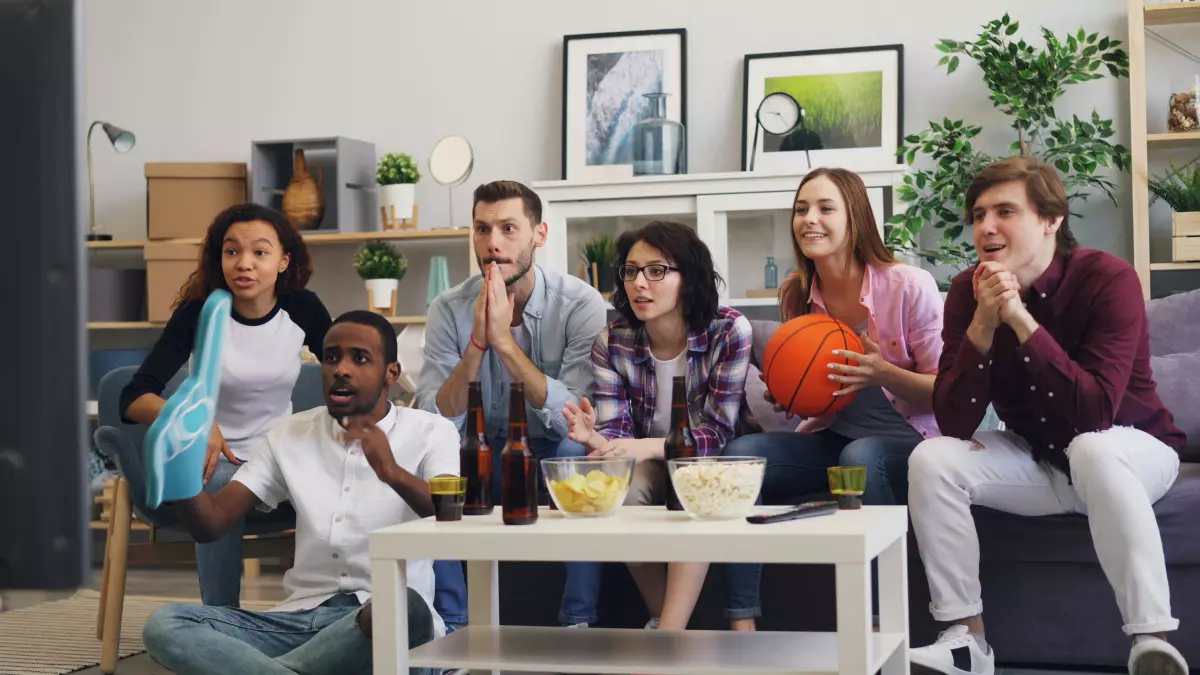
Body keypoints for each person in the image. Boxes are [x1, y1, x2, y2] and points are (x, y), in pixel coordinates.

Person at [906, 156, 1190, 675]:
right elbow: (953, 422)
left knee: (1093, 447)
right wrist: (983, 328)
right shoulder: (969, 292)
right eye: (978, 214)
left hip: (1132, 450)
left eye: (1005, 211)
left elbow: (1093, 413)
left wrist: (1018, 318)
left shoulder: (1109, 279)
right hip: (1041, 460)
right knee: (932, 458)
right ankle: (965, 643)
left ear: (1051, 220)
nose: (985, 227)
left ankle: (1152, 642)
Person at [142, 310, 457, 675]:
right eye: (332, 357)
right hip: (297, 623)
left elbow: (450, 515)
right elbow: (211, 524)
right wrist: (180, 470)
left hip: (384, 622)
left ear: (392, 373)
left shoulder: (432, 431)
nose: (341, 368)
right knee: (166, 623)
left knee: (406, 606)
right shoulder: (289, 434)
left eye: (360, 358)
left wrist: (392, 473)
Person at [719, 167, 944, 631]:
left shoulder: (909, 286)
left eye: (825, 208)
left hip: (913, 442)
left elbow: (948, 394)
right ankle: (742, 624)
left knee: (861, 456)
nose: (809, 219)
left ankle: (880, 624)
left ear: (855, 217)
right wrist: (794, 398)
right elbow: (816, 392)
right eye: (801, 209)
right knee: (742, 456)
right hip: (833, 438)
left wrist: (884, 373)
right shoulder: (798, 293)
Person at [417, 180, 609, 630]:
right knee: (438, 464)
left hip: (549, 451)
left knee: (575, 458)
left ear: (539, 234)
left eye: (508, 228)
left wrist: (504, 344)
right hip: (481, 453)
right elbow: (434, 420)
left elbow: (576, 421)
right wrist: (478, 347)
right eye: (482, 229)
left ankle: (577, 624)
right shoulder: (449, 308)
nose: (493, 244)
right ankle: (453, 627)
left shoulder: (579, 303)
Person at [120, 202, 331, 607]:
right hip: (211, 460)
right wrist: (197, 424)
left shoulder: (303, 309)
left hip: (278, 455)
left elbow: (347, 370)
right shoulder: (199, 312)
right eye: (232, 251)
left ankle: (316, 610)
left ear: (284, 260)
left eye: (260, 252)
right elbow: (133, 397)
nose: (244, 263)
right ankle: (221, 619)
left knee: (332, 470)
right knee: (217, 481)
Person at [561, 221, 755, 631]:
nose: (639, 283)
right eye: (631, 271)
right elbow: (616, 434)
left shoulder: (729, 330)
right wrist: (597, 438)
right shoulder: (611, 340)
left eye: (657, 270)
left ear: (690, 276)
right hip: (648, 462)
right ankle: (663, 620)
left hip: (710, 460)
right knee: (619, 489)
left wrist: (649, 447)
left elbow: (718, 432)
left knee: (697, 483)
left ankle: (668, 636)